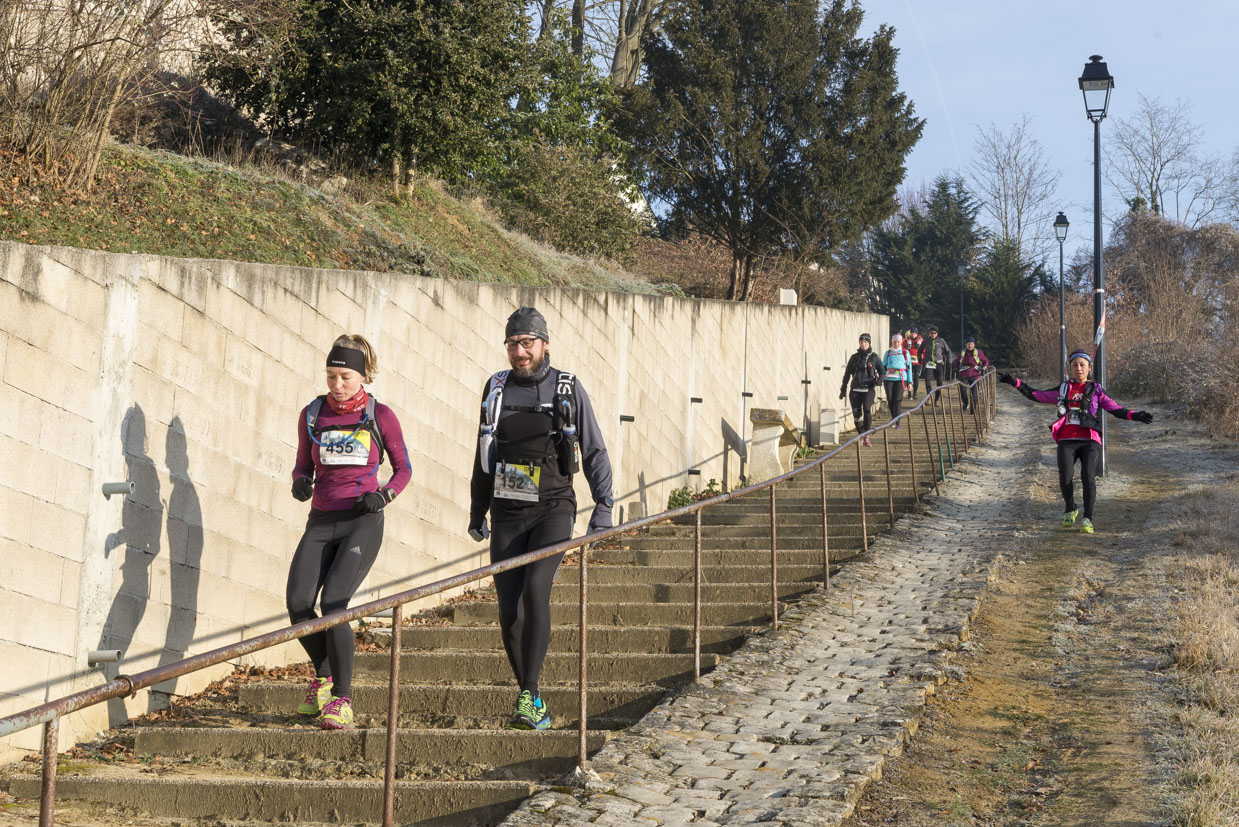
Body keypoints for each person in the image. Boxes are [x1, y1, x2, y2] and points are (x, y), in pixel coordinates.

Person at [469, 307, 614, 731]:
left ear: (545, 344)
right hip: (507, 511)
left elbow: (593, 449)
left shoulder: (567, 388)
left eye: (527, 343)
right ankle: (531, 699)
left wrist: (603, 506)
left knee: (536, 590)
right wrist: (478, 511)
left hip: (553, 508)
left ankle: (529, 693)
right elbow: (481, 455)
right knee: (508, 614)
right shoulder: (495, 388)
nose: (520, 352)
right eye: (513, 344)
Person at [288, 334, 411, 729]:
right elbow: (301, 465)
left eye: (344, 377)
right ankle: (323, 675)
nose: (336, 385)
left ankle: (343, 698)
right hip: (322, 519)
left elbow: (404, 468)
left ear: (363, 377)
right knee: (298, 604)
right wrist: (300, 482)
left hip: (362, 519)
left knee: (336, 603)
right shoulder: (313, 413)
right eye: (330, 376)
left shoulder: (380, 415)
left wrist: (385, 495)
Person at [999, 351, 1153, 533]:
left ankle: (1088, 518)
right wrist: (1015, 382)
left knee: (1088, 477)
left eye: (1082, 365)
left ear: (1089, 368)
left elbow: (1116, 409)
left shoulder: (1096, 390)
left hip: (1090, 440)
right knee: (1065, 477)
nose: (1078, 369)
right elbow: (1036, 395)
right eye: (1075, 365)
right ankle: (1071, 507)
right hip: (1067, 440)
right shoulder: (1063, 389)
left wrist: (1137, 416)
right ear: (1069, 369)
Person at [840, 333, 884, 446]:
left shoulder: (874, 357)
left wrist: (879, 381)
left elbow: (882, 371)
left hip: (868, 389)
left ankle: (867, 436)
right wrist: (843, 389)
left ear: (869, 343)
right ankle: (861, 435)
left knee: (867, 410)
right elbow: (847, 374)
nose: (863, 344)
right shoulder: (854, 357)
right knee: (857, 415)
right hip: (855, 390)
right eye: (861, 342)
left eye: (865, 342)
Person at [881, 333, 912, 428]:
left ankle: (897, 422)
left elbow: (909, 368)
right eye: (894, 342)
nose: (896, 344)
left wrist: (910, 382)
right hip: (889, 378)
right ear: (892, 342)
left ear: (901, 342)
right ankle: (894, 417)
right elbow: (883, 366)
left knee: (898, 400)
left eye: (898, 342)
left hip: (901, 379)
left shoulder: (905, 353)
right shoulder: (888, 352)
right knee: (890, 399)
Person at [954, 335, 990, 413]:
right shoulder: (962, 352)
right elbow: (956, 361)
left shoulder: (978, 352)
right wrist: (956, 368)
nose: (970, 346)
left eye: (971, 344)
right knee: (963, 390)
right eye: (968, 344)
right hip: (963, 374)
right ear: (966, 345)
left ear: (974, 345)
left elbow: (985, 361)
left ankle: (973, 410)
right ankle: (965, 403)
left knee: (974, 394)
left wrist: (984, 367)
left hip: (975, 374)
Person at [918, 326, 952, 403]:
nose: (933, 334)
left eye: (934, 333)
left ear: (937, 334)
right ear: (929, 333)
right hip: (929, 363)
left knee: (940, 382)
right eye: (931, 333)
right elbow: (919, 351)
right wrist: (919, 358)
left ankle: (936, 399)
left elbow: (948, 351)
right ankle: (929, 396)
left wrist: (949, 362)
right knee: (927, 379)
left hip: (939, 363)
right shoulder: (926, 341)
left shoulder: (941, 341)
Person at [904, 327, 923, 399]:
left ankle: (915, 394)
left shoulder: (921, 340)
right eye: (912, 334)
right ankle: (909, 394)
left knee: (916, 378)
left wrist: (922, 359)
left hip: (917, 363)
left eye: (914, 334)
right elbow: (903, 348)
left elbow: (924, 350)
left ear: (917, 334)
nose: (913, 335)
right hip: (909, 362)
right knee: (909, 378)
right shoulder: (906, 340)